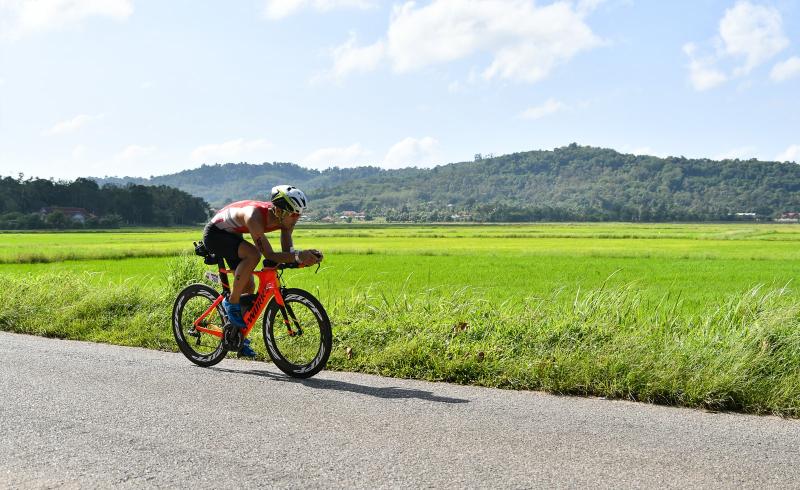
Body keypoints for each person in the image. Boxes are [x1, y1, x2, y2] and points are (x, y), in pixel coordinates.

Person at [202, 185, 323, 356]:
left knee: (248, 287)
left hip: (233, 235)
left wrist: (302, 258)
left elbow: (287, 253)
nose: (297, 218)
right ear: (279, 211)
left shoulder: (286, 220)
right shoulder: (254, 217)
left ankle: (236, 336)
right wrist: (298, 256)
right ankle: (231, 303)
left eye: (299, 214)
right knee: (253, 254)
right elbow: (270, 254)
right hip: (215, 235)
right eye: (294, 214)